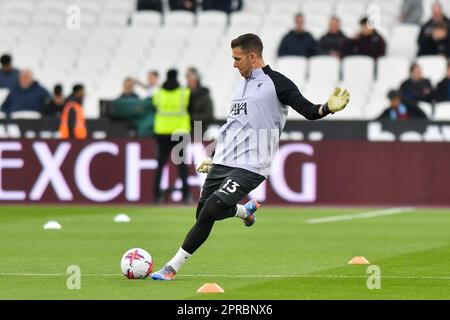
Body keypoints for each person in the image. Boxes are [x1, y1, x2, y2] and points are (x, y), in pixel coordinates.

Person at [150, 34, 350, 280]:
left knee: (212, 209)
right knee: (202, 213)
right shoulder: (240, 85)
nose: (234, 64)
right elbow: (232, 125)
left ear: (252, 56)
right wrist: (212, 152)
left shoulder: (277, 83)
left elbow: (308, 110)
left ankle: (171, 268)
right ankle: (244, 212)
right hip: (224, 160)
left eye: (238, 59)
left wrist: (326, 107)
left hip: (252, 165)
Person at [152, 69, 192, 204]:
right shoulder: (184, 92)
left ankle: (157, 196)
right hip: (179, 132)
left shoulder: (158, 93)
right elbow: (190, 108)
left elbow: (154, 106)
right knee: (181, 165)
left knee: (160, 165)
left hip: (162, 132)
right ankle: (186, 196)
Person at [186, 67, 214, 136]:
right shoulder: (184, 93)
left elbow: (208, 115)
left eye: (189, 76)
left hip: (199, 128)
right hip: (185, 129)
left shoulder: (204, 95)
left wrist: (190, 118)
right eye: (187, 76)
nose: (188, 79)